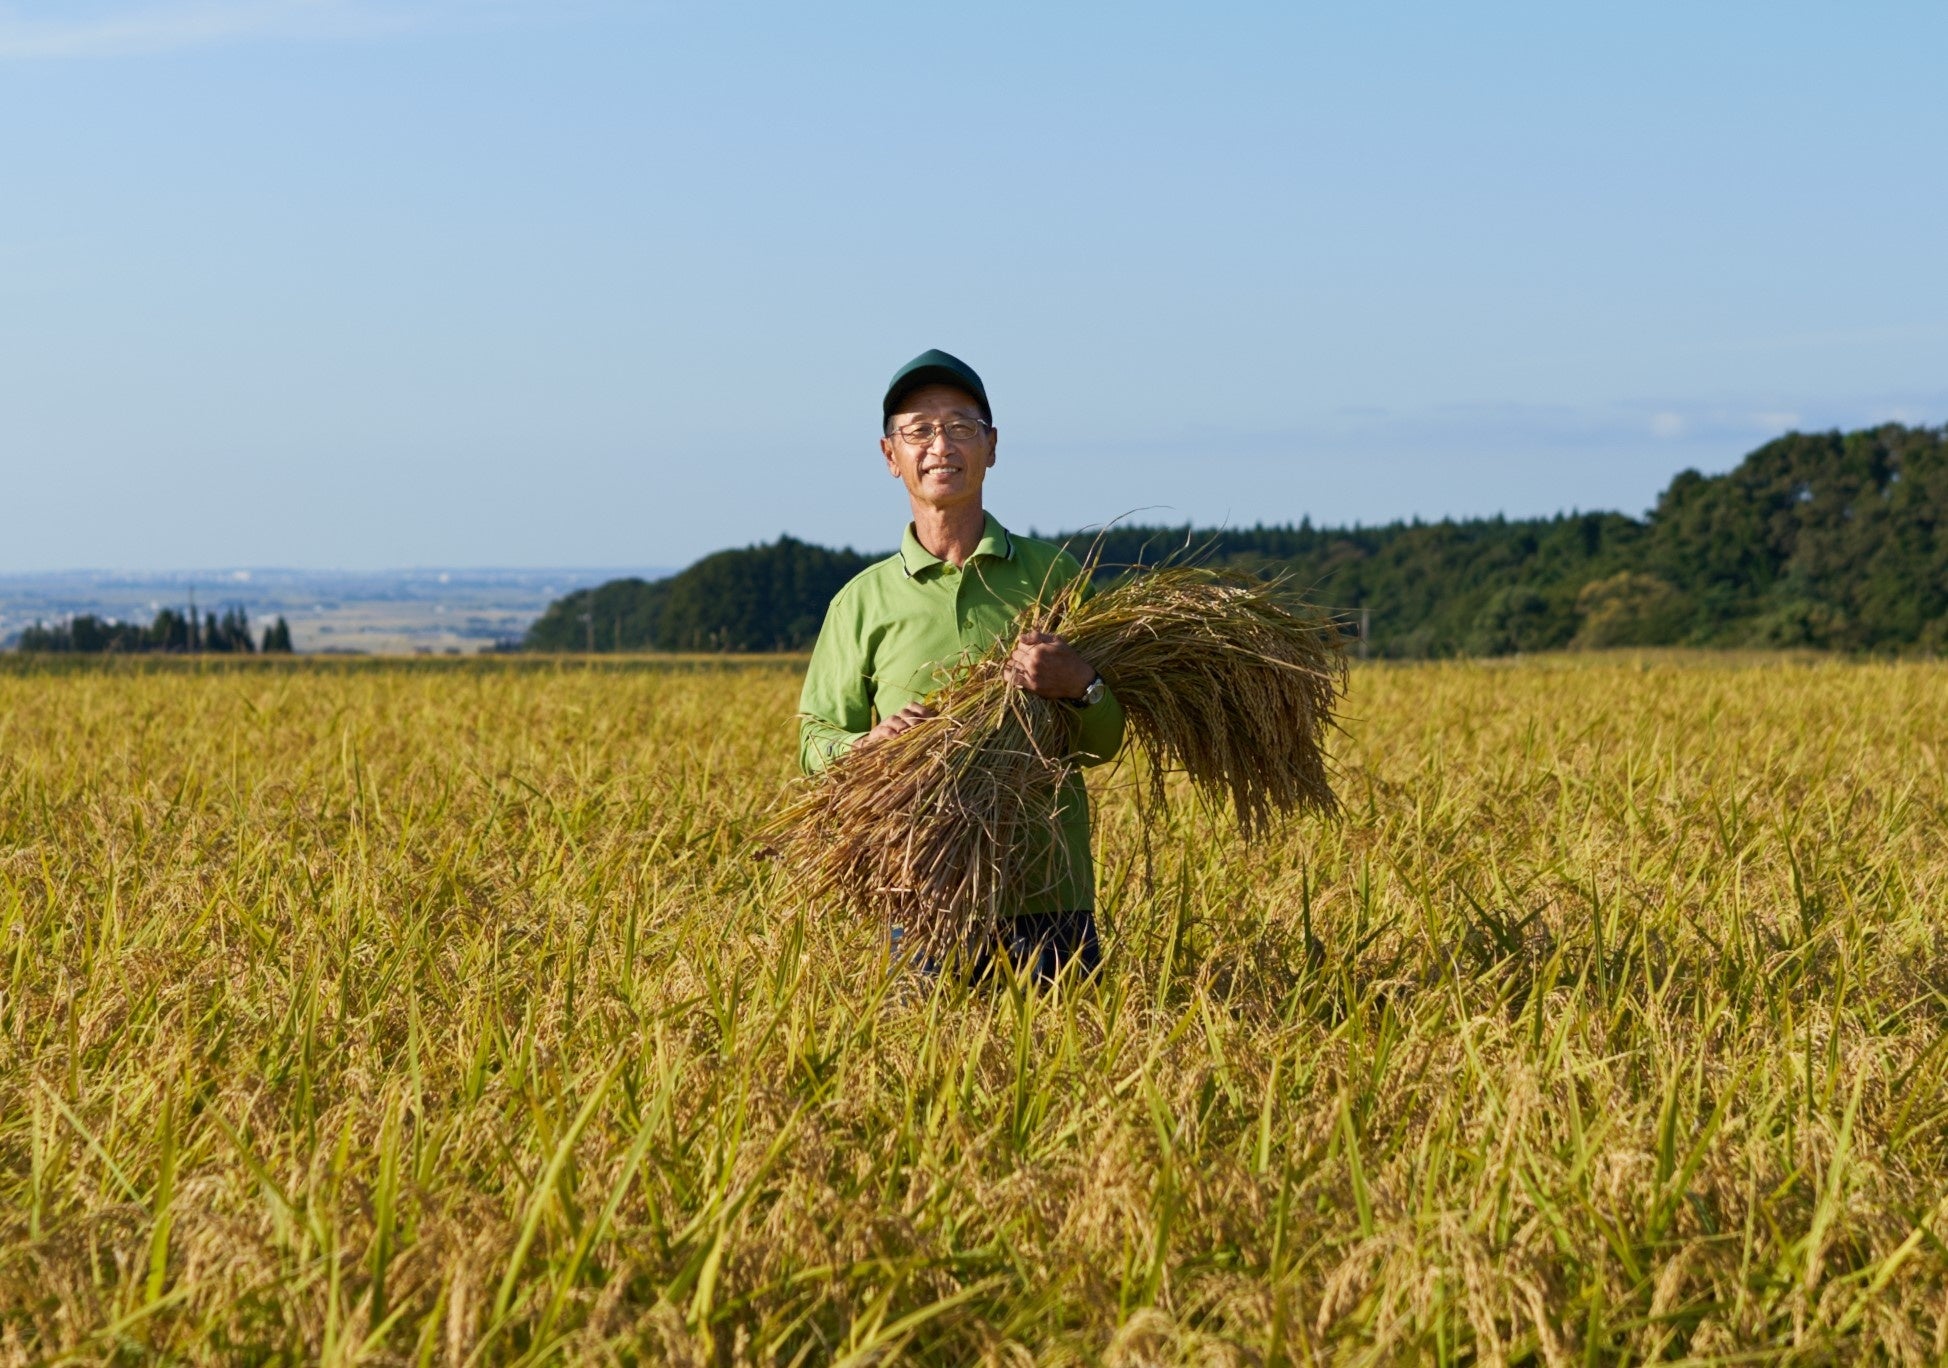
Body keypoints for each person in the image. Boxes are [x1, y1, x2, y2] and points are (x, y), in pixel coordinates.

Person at [797, 349, 1125, 982]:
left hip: (1048, 895)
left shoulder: (1055, 578)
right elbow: (815, 742)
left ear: (992, 446)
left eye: (960, 427)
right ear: (891, 457)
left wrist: (1082, 687)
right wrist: (869, 746)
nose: (940, 444)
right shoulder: (862, 601)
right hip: (921, 895)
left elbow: (1107, 740)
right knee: (919, 1071)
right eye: (918, 430)